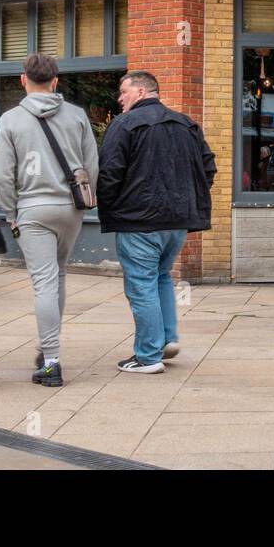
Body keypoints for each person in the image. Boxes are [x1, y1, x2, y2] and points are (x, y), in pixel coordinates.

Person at [97, 71, 216, 374]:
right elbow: (208, 168)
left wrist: (111, 208)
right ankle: (166, 339)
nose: (119, 99)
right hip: (177, 222)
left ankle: (148, 356)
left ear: (139, 91)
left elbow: (109, 173)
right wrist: (186, 199)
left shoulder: (124, 125)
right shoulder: (186, 124)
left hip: (138, 222)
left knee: (141, 285)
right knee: (161, 276)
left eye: (123, 92)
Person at [0, 53, 99, 388]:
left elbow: (3, 176)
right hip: (70, 208)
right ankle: (47, 346)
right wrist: (83, 203)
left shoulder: (9, 120)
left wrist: (10, 213)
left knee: (43, 282)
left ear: (23, 80)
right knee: (59, 274)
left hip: (32, 209)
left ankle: (51, 360)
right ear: (55, 81)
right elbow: (91, 165)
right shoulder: (77, 116)